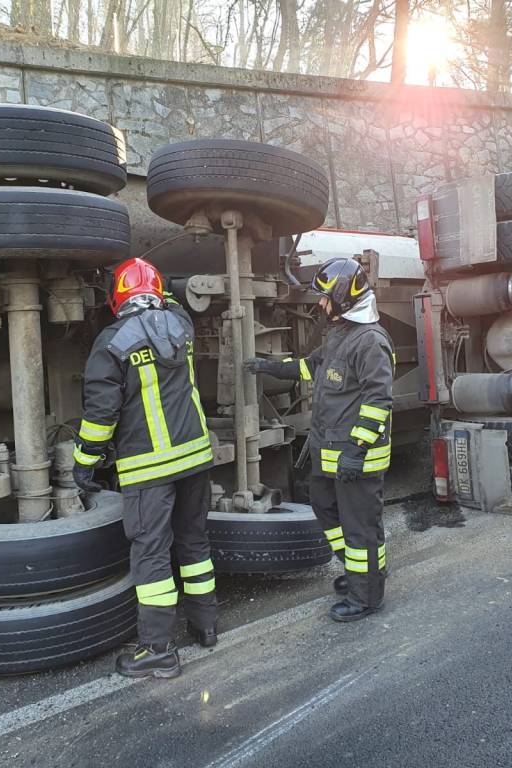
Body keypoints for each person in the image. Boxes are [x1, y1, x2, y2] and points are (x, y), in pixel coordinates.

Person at [73, 257, 217, 679]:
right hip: (194, 456)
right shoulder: (181, 326)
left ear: (117, 298)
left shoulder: (112, 342)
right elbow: (171, 304)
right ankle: (205, 626)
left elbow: (101, 415)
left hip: (148, 467)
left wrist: (85, 463)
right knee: (194, 543)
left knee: (151, 554)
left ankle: (157, 650)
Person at [244, 258, 394, 622]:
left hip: (356, 456)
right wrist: (269, 367)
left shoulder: (370, 341)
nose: (320, 305)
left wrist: (358, 451)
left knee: (361, 527)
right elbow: (309, 367)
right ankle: (362, 571)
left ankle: (367, 595)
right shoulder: (341, 333)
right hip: (329, 453)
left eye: (326, 298)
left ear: (343, 298)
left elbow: (378, 400)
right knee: (326, 510)